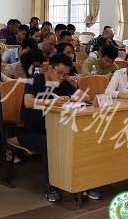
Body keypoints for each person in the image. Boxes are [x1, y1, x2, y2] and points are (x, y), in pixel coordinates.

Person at [18, 53, 92, 202]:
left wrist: (69, 98)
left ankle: (81, 183)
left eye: (65, 74)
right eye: (59, 73)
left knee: (78, 141)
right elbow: (28, 102)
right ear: (50, 68)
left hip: (55, 130)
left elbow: (86, 97)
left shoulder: (62, 83)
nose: (62, 77)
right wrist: (52, 102)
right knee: (50, 145)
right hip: (29, 132)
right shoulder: (35, 79)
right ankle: (51, 185)